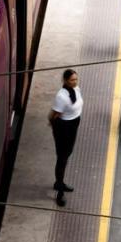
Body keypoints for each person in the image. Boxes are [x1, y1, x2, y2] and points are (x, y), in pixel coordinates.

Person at [50, 70, 82, 206]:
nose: (75, 82)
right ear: (65, 80)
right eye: (72, 80)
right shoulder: (61, 97)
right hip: (64, 127)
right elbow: (53, 116)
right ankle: (59, 189)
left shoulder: (76, 89)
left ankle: (59, 183)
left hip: (73, 124)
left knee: (67, 154)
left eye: (76, 79)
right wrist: (57, 131)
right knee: (62, 158)